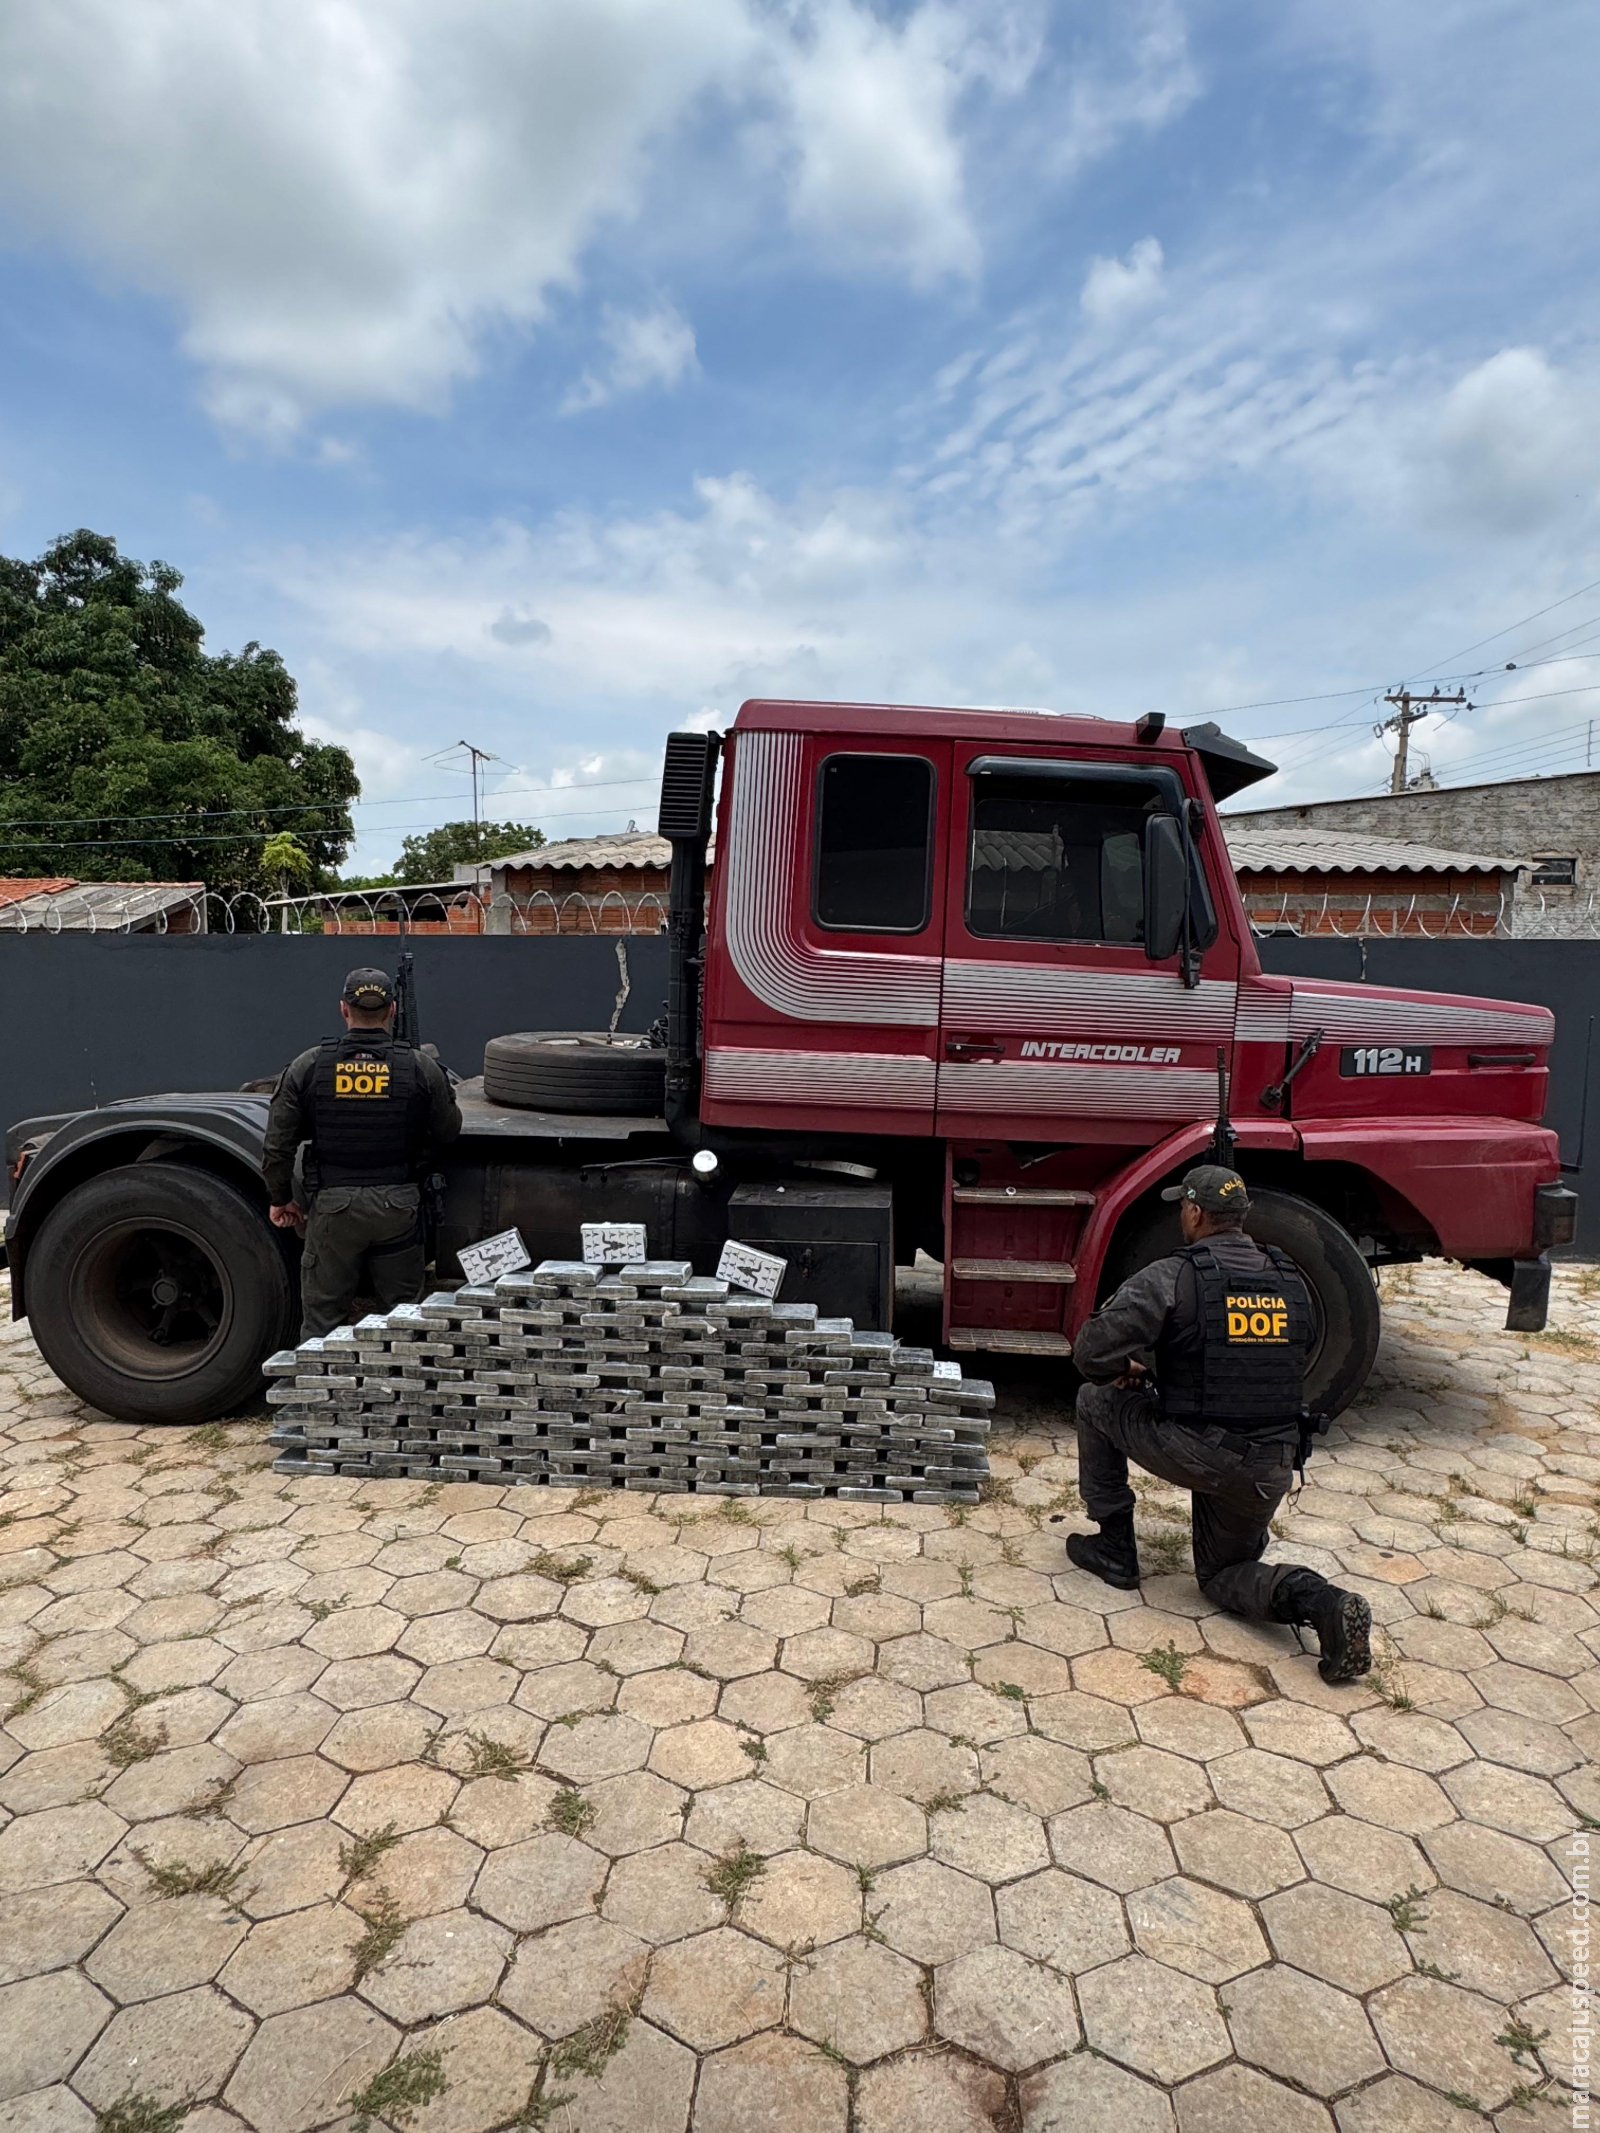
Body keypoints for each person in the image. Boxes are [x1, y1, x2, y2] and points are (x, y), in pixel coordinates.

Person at [1068, 1164, 1372, 1683]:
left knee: (1092, 1399)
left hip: (1199, 1449)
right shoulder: (1290, 1277)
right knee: (1222, 1576)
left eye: (1183, 1208)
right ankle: (1323, 1601)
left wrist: (1126, 1371)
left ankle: (1115, 1548)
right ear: (1243, 1216)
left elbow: (1090, 1352)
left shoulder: (1173, 1276)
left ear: (1194, 1212)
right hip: (1270, 1465)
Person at [264, 966, 462, 1339]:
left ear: (343, 1009)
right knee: (403, 1323)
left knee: (323, 1322)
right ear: (391, 1011)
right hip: (399, 1204)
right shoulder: (418, 1066)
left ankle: (321, 1394)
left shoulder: (309, 1065)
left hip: (332, 1208)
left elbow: (278, 1145)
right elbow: (449, 1130)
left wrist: (280, 1198)